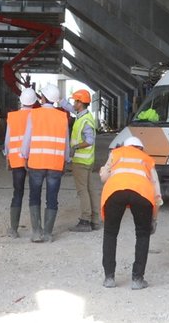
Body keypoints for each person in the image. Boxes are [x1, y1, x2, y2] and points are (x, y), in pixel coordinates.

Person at [99, 136, 162, 290]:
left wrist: (105, 170)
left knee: (110, 233)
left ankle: (109, 278)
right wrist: (153, 219)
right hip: (142, 193)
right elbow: (157, 193)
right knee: (142, 234)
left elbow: (103, 177)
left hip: (115, 192)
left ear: (125, 146)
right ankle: (137, 279)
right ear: (140, 148)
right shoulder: (146, 159)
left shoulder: (116, 154)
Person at [21, 83, 69, 243]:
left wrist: (24, 155)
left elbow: (27, 138)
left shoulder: (34, 115)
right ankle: (48, 233)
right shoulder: (63, 117)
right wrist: (65, 159)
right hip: (55, 163)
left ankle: (36, 232)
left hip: (36, 162)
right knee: (52, 198)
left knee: (34, 196)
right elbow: (66, 143)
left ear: (43, 98)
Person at [3, 87, 38, 237]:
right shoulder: (37, 115)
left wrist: (7, 155)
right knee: (34, 194)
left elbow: (7, 140)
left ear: (21, 101)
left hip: (17, 160)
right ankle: (36, 230)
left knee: (18, 193)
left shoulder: (12, 116)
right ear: (35, 102)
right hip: (34, 159)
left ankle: (14, 229)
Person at [66, 89, 100, 232]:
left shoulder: (84, 120)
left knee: (82, 191)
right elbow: (70, 108)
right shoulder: (84, 116)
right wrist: (61, 101)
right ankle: (95, 221)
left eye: (75, 101)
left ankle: (85, 220)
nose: (73, 103)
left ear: (80, 103)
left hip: (81, 161)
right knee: (90, 189)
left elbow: (89, 140)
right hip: (88, 161)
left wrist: (75, 147)